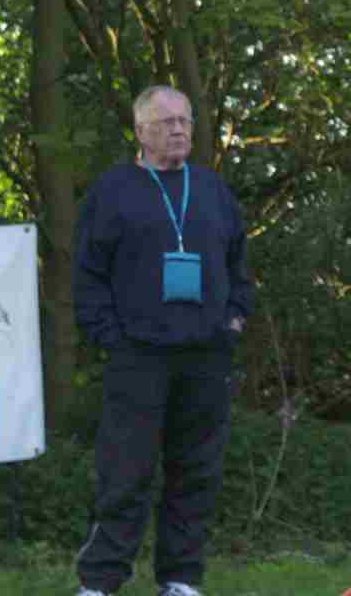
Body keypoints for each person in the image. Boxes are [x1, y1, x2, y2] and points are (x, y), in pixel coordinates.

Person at [71, 84, 255, 596]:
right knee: (125, 471)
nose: (178, 130)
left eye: (185, 121)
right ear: (141, 130)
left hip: (205, 355)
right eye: (166, 122)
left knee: (195, 471)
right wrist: (110, 337)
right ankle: (101, 580)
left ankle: (181, 579)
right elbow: (87, 275)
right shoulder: (113, 191)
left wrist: (235, 320)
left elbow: (239, 265)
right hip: (138, 355)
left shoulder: (213, 190)